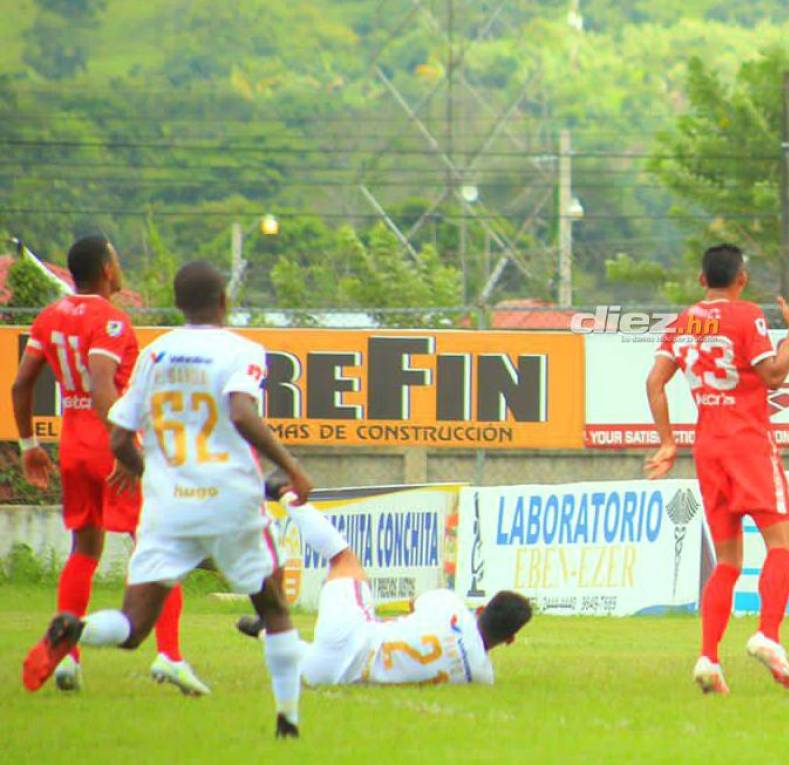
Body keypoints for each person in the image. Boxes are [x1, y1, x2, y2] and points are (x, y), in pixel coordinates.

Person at [22, 261, 315, 738]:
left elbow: (119, 439)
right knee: (274, 606)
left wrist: (152, 473)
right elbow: (241, 412)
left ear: (179, 305)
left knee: (133, 626)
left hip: (168, 506)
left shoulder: (155, 355)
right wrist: (295, 468)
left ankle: (76, 629)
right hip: (231, 502)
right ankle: (288, 720)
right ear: (224, 302)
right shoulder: (242, 351)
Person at [10, 236, 204, 695]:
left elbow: (21, 385)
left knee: (85, 548)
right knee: (161, 544)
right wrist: (125, 446)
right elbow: (102, 386)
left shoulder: (49, 317)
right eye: (116, 259)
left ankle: (66, 660)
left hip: (71, 442)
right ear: (105, 268)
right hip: (107, 442)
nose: (120, 267)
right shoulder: (111, 321)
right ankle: (170, 656)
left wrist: (29, 444)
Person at [644, 244, 789, 694]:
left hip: (708, 449)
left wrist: (667, 441)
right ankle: (768, 636)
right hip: (748, 444)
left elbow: (654, 382)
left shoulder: (685, 321)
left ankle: (708, 659)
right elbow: (773, 374)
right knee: (781, 546)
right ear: (742, 279)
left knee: (729, 561)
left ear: (701, 281)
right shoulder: (745, 314)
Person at [234, 484, 531, 688]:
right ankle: (264, 630)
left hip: (354, 633)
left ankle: (284, 494)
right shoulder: (481, 677)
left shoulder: (452, 608)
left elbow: (417, 602)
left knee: (342, 559)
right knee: (302, 656)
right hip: (330, 673)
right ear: (509, 640)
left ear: (482, 607)